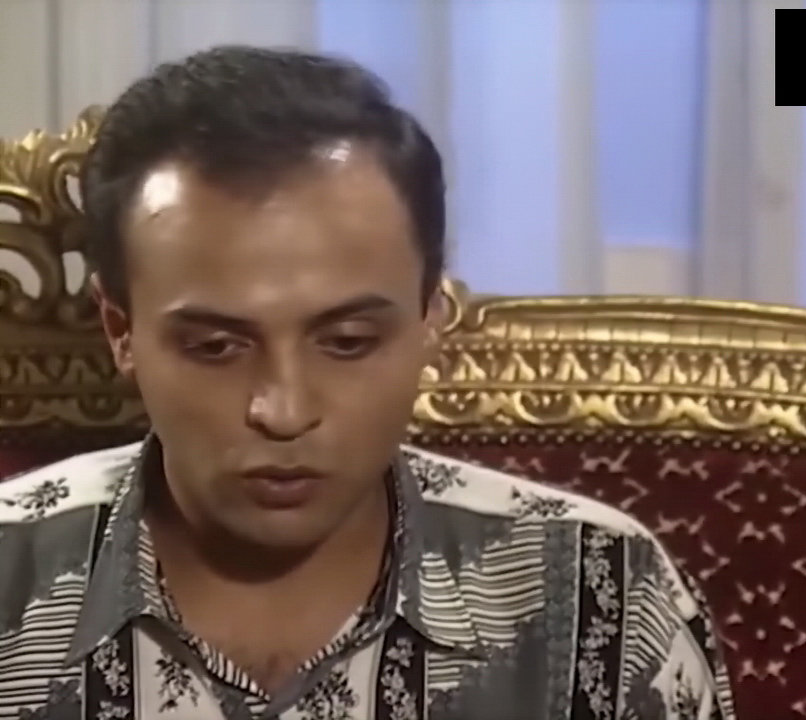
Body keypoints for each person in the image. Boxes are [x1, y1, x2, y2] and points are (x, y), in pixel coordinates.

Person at [0, 46, 736, 720]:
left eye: (347, 343)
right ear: (120, 330)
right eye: (216, 347)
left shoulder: (598, 595)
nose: (284, 410)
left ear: (429, 316)